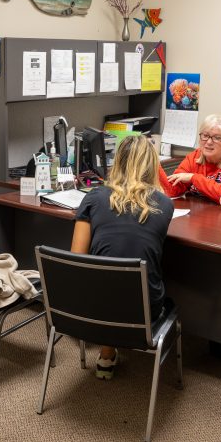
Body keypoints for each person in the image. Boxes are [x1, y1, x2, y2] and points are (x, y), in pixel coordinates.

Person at [71, 134, 174, 380]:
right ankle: (111, 346)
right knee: (138, 281)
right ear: (152, 165)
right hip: (142, 311)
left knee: (106, 280)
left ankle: (107, 352)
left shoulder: (93, 198)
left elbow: (76, 259)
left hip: (90, 308)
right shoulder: (164, 204)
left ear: (117, 162)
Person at [158, 114, 221, 204]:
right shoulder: (194, 157)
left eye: (217, 138)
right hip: (199, 215)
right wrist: (154, 164)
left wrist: (193, 178)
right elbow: (171, 190)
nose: (209, 142)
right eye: (205, 136)